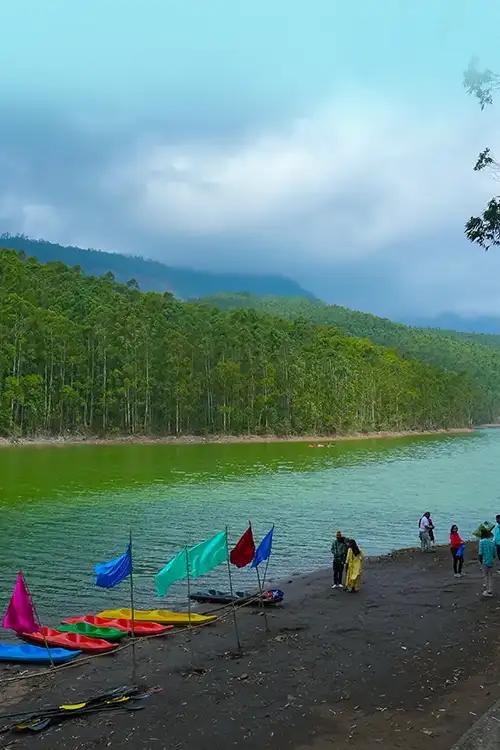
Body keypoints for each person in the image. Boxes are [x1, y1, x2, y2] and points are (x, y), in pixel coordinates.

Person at [478, 527, 496, 598]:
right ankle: (490, 590)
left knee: (485, 576)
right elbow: (494, 554)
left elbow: (480, 553)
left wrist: (480, 562)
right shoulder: (492, 542)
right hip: (491, 561)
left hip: (485, 561)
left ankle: (486, 590)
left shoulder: (481, 542)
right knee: (490, 576)